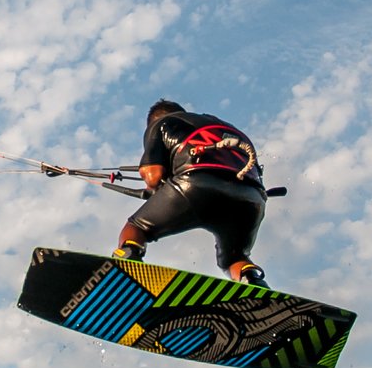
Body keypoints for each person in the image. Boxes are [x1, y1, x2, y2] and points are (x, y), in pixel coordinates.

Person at [115, 98, 270, 286]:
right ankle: (253, 281)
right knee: (235, 257)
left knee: (135, 228)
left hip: (196, 186)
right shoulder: (225, 127)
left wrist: (155, 189)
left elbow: (152, 175)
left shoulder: (161, 123)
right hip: (251, 200)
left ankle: (127, 267)